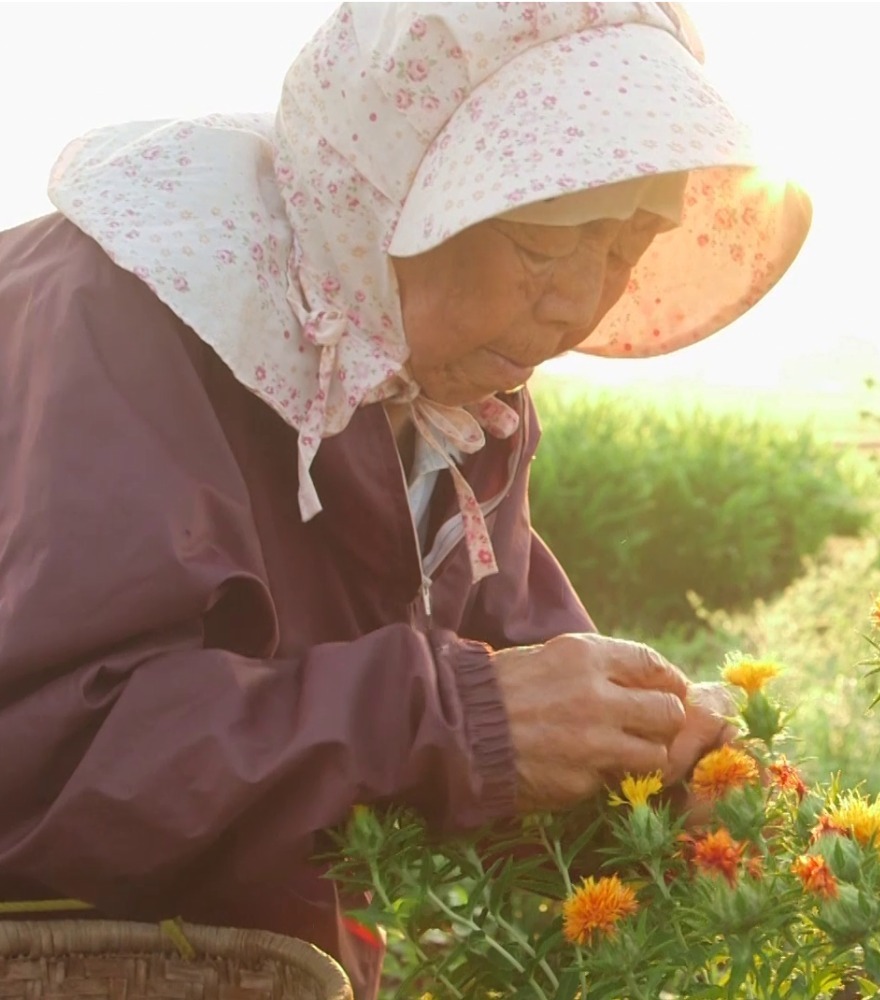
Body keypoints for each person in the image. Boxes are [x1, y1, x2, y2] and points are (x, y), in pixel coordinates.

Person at [0, 3, 811, 996]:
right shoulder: (121, 315)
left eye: (628, 245)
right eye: (549, 242)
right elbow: (49, 763)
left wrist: (652, 779)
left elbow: (494, 700)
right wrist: (470, 726)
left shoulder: (448, 399)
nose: (581, 305)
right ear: (389, 191)